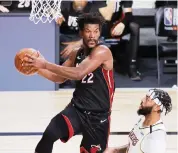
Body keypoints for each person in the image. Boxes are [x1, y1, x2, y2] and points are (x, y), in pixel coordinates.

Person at [23, 13, 115, 153]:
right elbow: (58, 78)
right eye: (88, 31)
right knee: (49, 135)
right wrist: (37, 69)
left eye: (96, 31)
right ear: (81, 32)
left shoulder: (103, 51)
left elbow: (78, 73)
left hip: (98, 117)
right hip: (76, 110)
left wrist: (45, 64)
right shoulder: (76, 53)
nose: (92, 35)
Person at [104, 88, 172, 153]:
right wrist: (116, 150)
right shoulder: (143, 120)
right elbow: (134, 147)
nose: (142, 100)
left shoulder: (155, 137)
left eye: (147, 99)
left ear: (157, 108)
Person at [109, 0, 141, 81]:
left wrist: (122, 23)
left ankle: (132, 66)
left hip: (115, 24)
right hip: (99, 22)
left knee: (134, 26)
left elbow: (129, 14)